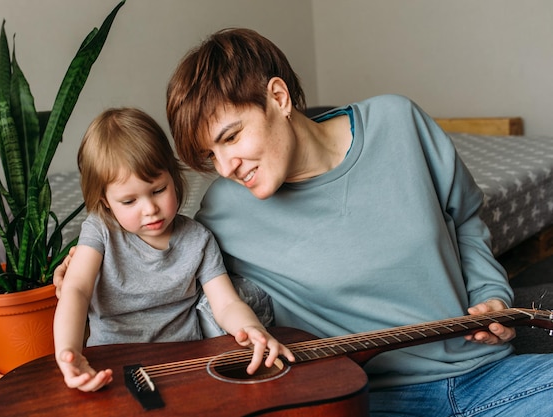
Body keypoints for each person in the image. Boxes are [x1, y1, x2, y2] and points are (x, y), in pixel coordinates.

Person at [161, 28, 553, 415]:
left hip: (488, 373)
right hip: (366, 399)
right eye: (210, 155)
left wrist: (491, 295)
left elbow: (466, 219)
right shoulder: (224, 210)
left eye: (231, 138)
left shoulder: (398, 122)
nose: (226, 166)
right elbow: (155, 277)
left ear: (278, 97)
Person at [53, 107, 294, 392]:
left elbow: (226, 304)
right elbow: (76, 290)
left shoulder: (198, 239)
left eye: (158, 190)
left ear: (174, 177)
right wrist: (68, 353)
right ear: (105, 202)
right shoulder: (100, 230)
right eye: (129, 202)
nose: (150, 209)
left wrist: (254, 330)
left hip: (183, 366)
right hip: (112, 366)